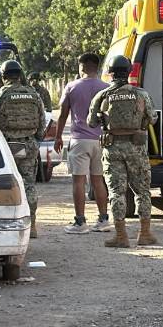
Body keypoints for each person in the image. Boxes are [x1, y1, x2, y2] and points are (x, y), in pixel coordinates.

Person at [88, 55, 158, 248]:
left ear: (110, 73)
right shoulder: (141, 94)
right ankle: (144, 234)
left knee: (117, 192)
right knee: (142, 191)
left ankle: (121, 236)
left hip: (113, 148)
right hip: (137, 148)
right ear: (129, 72)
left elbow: (91, 122)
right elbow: (152, 118)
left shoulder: (102, 95)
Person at [0, 60, 45, 239]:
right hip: (28, 146)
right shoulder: (34, 95)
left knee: (5, 184)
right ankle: (32, 225)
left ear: (3, 76)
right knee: (28, 184)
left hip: (6, 147)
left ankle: (7, 223)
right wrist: (34, 139)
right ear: (20, 75)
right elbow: (42, 123)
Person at [54, 53, 110, 234]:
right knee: (98, 180)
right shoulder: (106, 88)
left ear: (82, 67)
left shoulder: (72, 87)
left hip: (79, 140)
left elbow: (62, 114)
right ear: (97, 67)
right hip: (100, 140)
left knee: (78, 181)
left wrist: (58, 137)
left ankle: (80, 222)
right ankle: (103, 220)